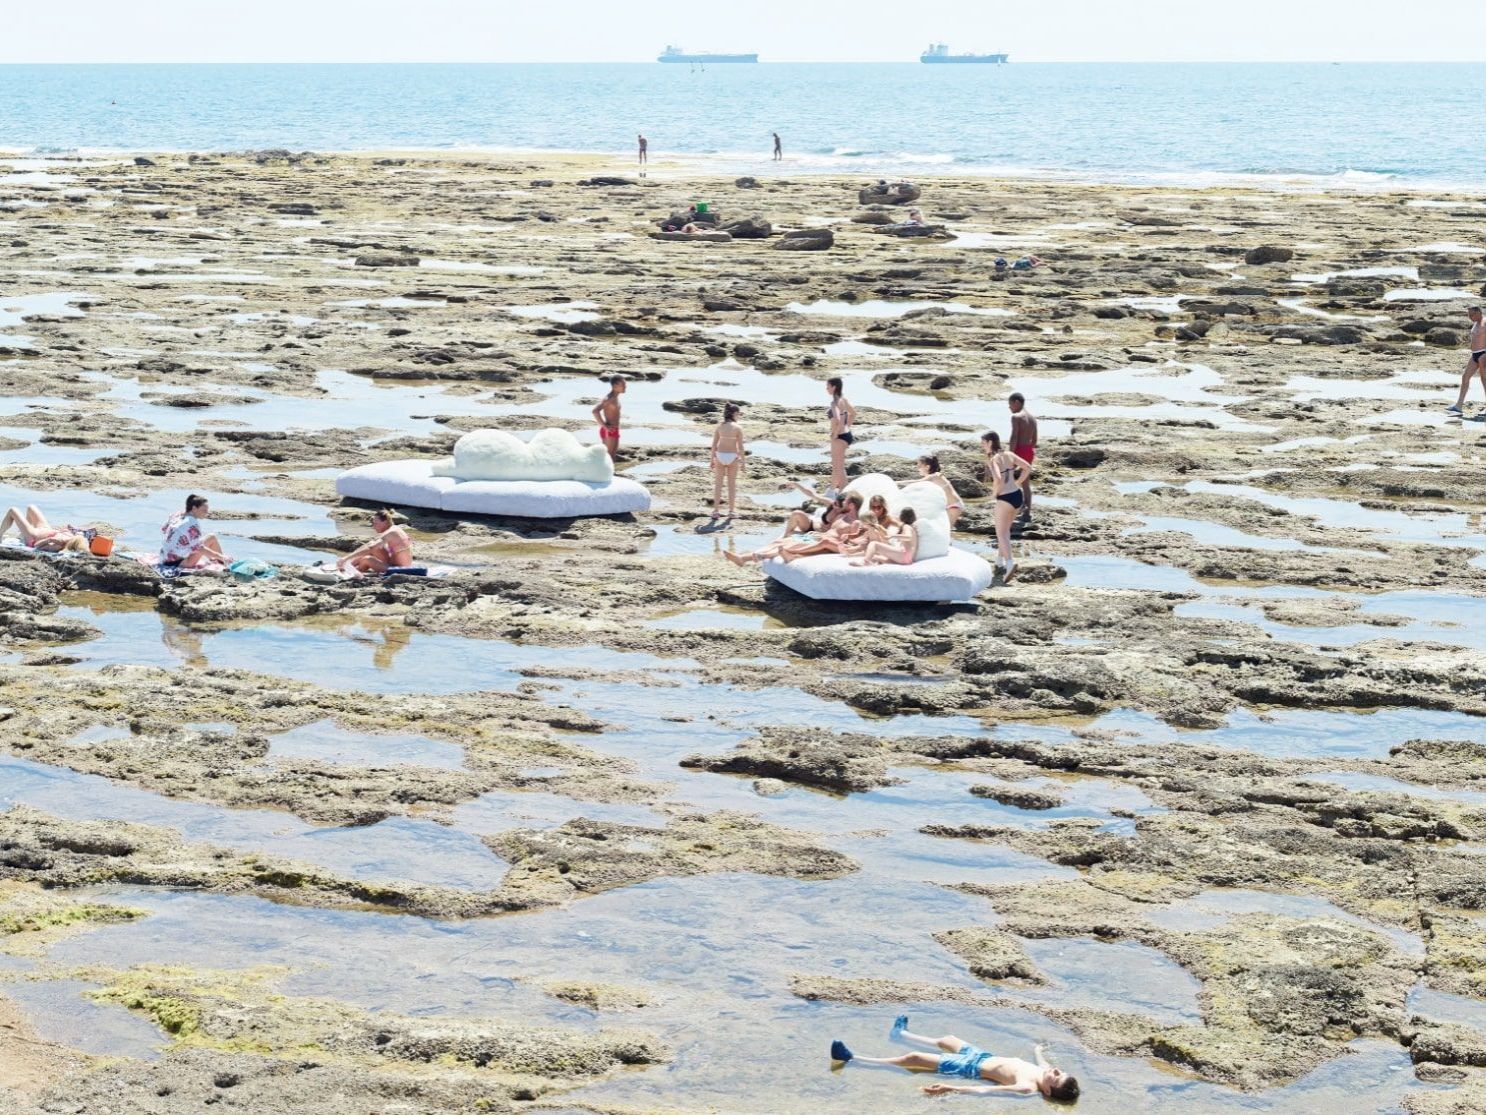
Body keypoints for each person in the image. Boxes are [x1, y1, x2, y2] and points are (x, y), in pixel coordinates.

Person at [831, 1015, 1080, 1103]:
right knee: (948, 1039)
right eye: (1060, 1071)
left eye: (1056, 1077)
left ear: (1047, 1091)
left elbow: (986, 1092)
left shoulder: (1027, 1087)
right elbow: (1042, 1059)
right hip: (981, 1055)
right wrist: (1039, 1047)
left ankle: (853, 1059)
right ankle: (901, 1034)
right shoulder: (1043, 1071)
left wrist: (953, 1088)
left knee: (913, 1058)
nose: (1055, 1071)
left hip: (968, 1069)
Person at [726, 494, 863, 565]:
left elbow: (852, 543)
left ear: (851, 505)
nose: (843, 502)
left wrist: (844, 539)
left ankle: (745, 558)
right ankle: (743, 558)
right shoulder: (840, 514)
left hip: (825, 543)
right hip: (817, 537)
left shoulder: (856, 522)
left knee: (791, 545)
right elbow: (827, 522)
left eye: (846, 501)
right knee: (781, 542)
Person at [984, 431, 1031, 583]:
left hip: (1004, 498)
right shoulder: (1009, 454)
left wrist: (994, 494)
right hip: (1017, 495)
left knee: (1001, 533)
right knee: (1005, 531)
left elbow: (998, 478)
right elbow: (1027, 467)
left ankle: (1010, 564)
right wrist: (1018, 483)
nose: (982, 446)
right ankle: (999, 562)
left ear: (990, 443)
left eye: (983, 443)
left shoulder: (994, 459)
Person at [159, 494, 229, 569]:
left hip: (164, 557)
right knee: (212, 538)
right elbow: (199, 548)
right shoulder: (192, 523)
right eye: (204, 510)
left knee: (196, 540)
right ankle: (223, 564)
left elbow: (164, 529)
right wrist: (221, 556)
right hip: (178, 562)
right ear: (194, 508)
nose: (206, 513)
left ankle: (217, 560)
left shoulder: (176, 515)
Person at [337, 509, 412, 575]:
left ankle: (353, 571)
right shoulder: (394, 529)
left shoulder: (391, 532)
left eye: (376, 523)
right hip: (394, 563)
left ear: (385, 522)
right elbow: (372, 545)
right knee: (372, 545)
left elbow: (371, 548)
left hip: (400, 568)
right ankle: (347, 565)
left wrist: (346, 558)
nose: (373, 526)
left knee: (366, 559)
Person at [710, 403, 746, 520]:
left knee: (718, 485)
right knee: (731, 485)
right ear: (733, 414)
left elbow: (714, 445)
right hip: (732, 457)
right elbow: (740, 447)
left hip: (720, 456)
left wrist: (712, 460)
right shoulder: (738, 428)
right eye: (738, 414)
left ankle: (715, 511)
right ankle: (731, 512)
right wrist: (743, 463)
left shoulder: (720, 427)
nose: (739, 416)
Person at [1448, 306, 1486, 416]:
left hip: (1483, 354)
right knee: (1465, 377)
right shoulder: (1475, 323)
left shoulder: (1485, 322)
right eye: (1468, 315)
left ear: (1478, 312)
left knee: (1484, 380)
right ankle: (1458, 406)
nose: (1470, 317)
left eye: (1472, 315)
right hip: (1475, 354)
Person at [0, 505, 86, 552]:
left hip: (33, 536)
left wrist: (51, 540)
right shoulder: (71, 538)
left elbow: (37, 546)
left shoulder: (57, 546)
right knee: (31, 507)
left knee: (13, 510)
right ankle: (22, 534)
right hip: (45, 528)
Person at [851, 507, 918, 567]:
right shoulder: (912, 527)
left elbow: (908, 537)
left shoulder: (907, 526)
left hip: (904, 555)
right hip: (907, 559)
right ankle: (873, 563)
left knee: (874, 544)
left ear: (902, 517)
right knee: (874, 557)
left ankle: (865, 562)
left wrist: (893, 536)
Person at [1007, 392, 1037, 523]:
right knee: (1025, 483)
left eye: (1010, 405)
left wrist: (1010, 454)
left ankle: (1009, 509)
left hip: (1018, 450)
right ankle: (1027, 512)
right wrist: (1028, 449)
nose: (1010, 408)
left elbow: (1014, 437)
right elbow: (1035, 439)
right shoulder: (1032, 418)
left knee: (1006, 479)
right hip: (1029, 450)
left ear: (1017, 402)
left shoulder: (1016, 417)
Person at [913, 455, 964, 526]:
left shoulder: (935, 476)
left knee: (945, 530)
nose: (917, 468)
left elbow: (916, 482)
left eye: (919, 466)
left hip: (954, 506)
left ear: (927, 467)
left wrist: (895, 483)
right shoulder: (933, 477)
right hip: (948, 507)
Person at [826, 377, 856, 493]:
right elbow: (853, 414)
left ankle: (843, 493)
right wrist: (846, 427)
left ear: (834, 387)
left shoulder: (835, 402)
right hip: (845, 435)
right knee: (838, 466)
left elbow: (840, 419)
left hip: (838, 437)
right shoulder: (843, 399)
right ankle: (832, 490)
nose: (826, 389)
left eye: (828, 387)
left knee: (837, 468)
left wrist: (836, 433)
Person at [592, 375, 626, 461]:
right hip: (608, 431)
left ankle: (611, 474)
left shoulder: (615, 398)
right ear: (615, 386)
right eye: (623, 385)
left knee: (612, 456)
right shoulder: (609, 398)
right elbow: (595, 411)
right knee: (607, 458)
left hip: (614, 429)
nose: (625, 387)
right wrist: (604, 426)